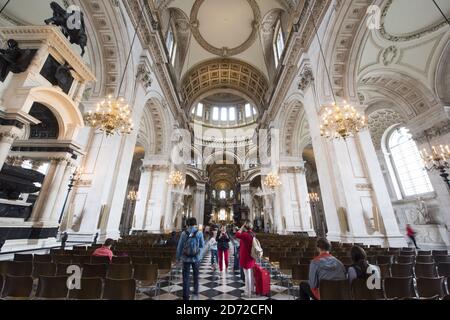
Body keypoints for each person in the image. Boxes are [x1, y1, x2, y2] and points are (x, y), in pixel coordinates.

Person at [176, 217, 205, 300]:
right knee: (196, 276)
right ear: (195, 223)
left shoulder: (184, 233)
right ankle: (195, 293)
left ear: (187, 224)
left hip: (185, 258)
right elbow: (202, 246)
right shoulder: (199, 233)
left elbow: (180, 246)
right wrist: (200, 256)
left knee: (185, 277)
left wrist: (178, 257)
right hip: (196, 258)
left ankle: (185, 296)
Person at [236, 220, 256, 298]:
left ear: (245, 227)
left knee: (247, 275)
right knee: (250, 274)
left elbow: (237, 234)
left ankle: (248, 293)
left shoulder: (245, 235)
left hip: (246, 257)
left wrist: (241, 227)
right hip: (251, 257)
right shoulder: (253, 234)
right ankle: (252, 290)